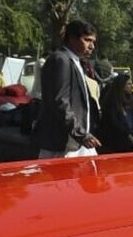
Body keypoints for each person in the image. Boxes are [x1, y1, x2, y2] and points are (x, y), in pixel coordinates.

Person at [35, 20, 101, 158]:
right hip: (64, 144)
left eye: (93, 42)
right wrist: (80, 134)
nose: (92, 46)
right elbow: (61, 101)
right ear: (71, 38)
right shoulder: (61, 60)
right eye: (87, 40)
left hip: (77, 142)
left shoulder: (74, 61)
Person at [97, 73, 133, 153]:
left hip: (128, 131)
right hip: (115, 136)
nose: (131, 86)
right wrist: (129, 136)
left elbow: (132, 117)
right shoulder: (112, 102)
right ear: (121, 85)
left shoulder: (129, 100)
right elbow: (115, 123)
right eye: (128, 84)